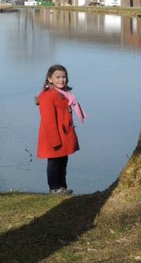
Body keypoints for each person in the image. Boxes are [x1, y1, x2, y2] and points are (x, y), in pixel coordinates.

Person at [36, 64, 86, 195]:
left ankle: (62, 187)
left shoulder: (64, 93)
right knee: (53, 162)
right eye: (57, 77)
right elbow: (48, 121)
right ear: (50, 79)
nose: (61, 80)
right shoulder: (47, 95)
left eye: (64, 77)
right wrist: (55, 141)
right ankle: (54, 188)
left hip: (64, 134)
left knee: (63, 162)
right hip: (54, 136)